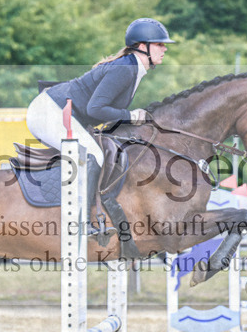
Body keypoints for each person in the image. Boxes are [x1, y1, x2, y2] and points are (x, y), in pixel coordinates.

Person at [25, 17, 174, 239]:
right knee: (92, 154)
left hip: (63, 111)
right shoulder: (125, 68)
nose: (164, 49)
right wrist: (130, 116)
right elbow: (96, 109)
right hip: (49, 112)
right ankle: (81, 222)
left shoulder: (132, 68)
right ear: (143, 46)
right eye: (159, 44)